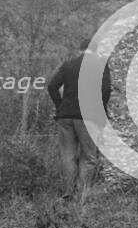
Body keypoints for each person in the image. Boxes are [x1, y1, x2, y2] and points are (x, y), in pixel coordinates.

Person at [47, 38, 111, 200]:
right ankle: (81, 197)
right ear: (95, 50)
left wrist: (60, 106)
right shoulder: (100, 65)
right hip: (88, 117)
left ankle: (68, 193)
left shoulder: (69, 64)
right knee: (88, 157)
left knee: (67, 156)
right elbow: (105, 91)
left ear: (81, 49)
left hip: (66, 117)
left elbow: (52, 86)